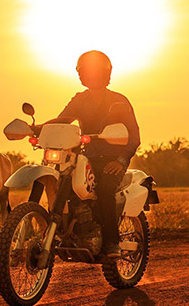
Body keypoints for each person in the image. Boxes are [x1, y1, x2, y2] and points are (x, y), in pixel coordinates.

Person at [47, 50, 141, 258]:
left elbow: (134, 136)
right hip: (85, 158)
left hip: (112, 160)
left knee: (105, 190)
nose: (89, 75)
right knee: (64, 183)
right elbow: (63, 120)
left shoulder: (119, 101)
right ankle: (67, 233)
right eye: (85, 71)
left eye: (94, 71)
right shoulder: (80, 100)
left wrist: (121, 159)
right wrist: (38, 128)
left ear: (105, 73)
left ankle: (112, 243)